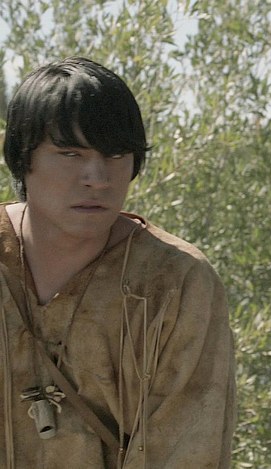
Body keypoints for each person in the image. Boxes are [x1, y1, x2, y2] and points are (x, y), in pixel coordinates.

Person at [0, 57, 236, 467]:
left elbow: (188, 450)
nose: (97, 177)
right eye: (70, 153)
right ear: (23, 158)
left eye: (115, 155)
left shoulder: (174, 284)